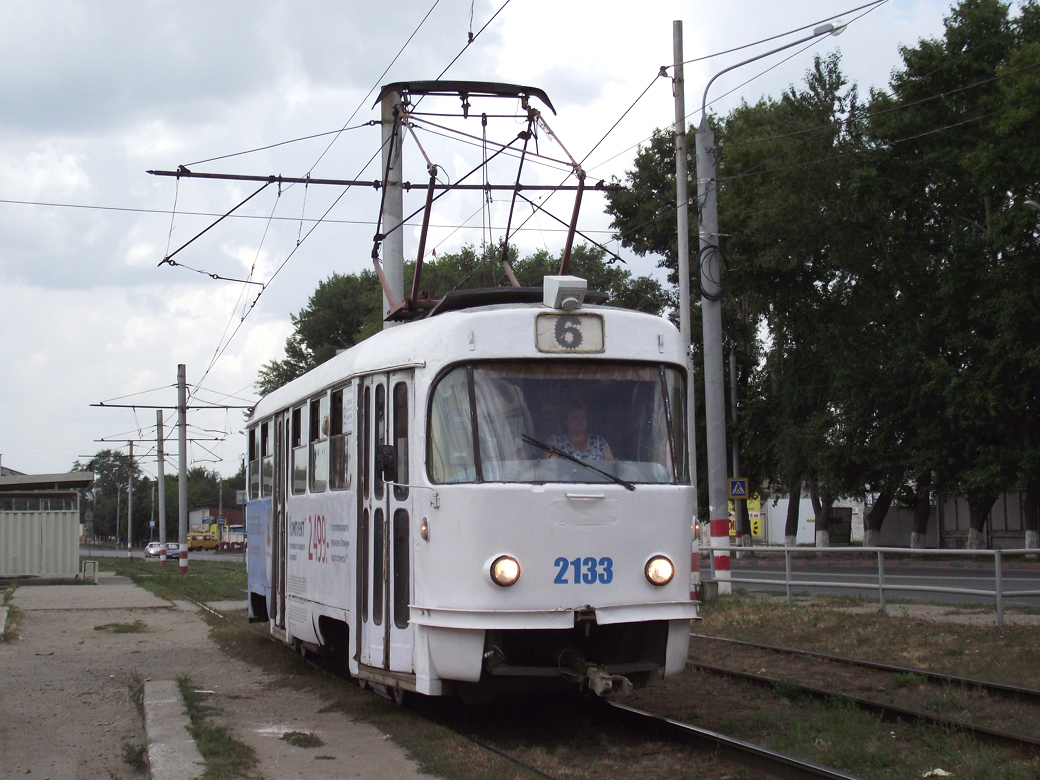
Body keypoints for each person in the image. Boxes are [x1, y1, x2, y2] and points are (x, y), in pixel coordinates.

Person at [547, 401, 614, 461]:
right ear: (565, 421)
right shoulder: (555, 442)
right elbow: (551, 469)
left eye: (583, 417)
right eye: (575, 417)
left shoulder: (599, 442)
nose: (580, 420)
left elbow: (612, 468)